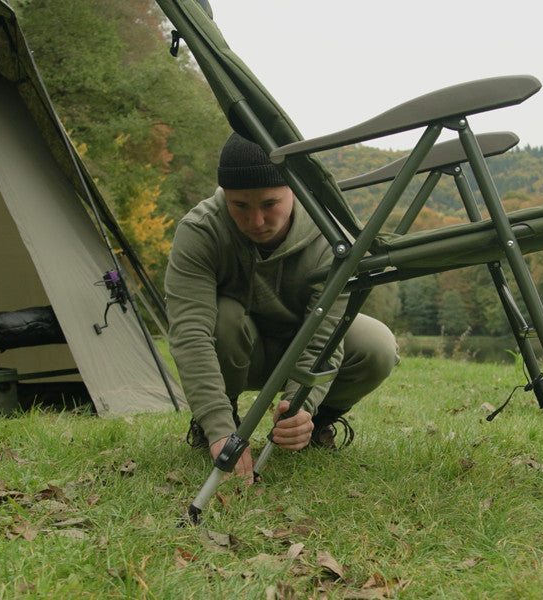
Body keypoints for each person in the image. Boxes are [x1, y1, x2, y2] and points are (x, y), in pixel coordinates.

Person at [164, 132, 399, 480]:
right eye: (240, 206)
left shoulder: (333, 237)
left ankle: (314, 424)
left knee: (377, 345)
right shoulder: (200, 230)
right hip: (239, 347)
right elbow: (189, 333)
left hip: (300, 342)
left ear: (294, 189)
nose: (256, 221)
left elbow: (323, 340)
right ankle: (221, 418)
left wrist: (302, 405)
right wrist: (216, 424)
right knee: (223, 318)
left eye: (269, 203)